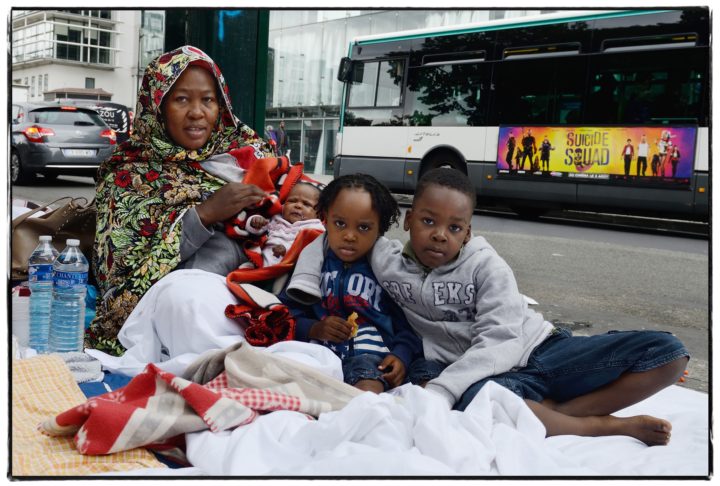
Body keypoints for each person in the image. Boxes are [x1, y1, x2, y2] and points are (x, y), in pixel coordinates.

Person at [288, 168, 689, 446]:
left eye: (455, 227)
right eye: (429, 221)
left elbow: (501, 341)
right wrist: (305, 299)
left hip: (538, 350)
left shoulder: (487, 267)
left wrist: (443, 389)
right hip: (481, 377)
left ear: (468, 233)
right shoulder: (383, 257)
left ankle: (557, 413)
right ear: (408, 221)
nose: (440, 235)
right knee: (479, 403)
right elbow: (332, 233)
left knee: (669, 354)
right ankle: (593, 426)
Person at [87, 45, 275, 355]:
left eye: (208, 100)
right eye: (182, 99)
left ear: (222, 106)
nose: (197, 112)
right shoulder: (127, 177)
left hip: (264, 301)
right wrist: (203, 215)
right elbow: (119, 295)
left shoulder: (247, 155)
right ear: (157, 106)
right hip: (183, 318)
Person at [280, 174, 422, 393]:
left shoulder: (388, 270)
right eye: (340, 224)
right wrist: (315, 328)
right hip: (320, 355)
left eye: (363, 228)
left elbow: (410, 323)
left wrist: (401, 355)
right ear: (325, 218)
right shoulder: (312, 263)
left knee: (367, 388)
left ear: (380, 229)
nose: (349, 236)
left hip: (372, 360)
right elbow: (285, 315)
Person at [245, 180, 325, 268]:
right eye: (292, 201)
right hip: (260, 261)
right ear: (284, 204)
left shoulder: (315, 228)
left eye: (306, 204)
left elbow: (312, 252)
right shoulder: (277, 218)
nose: (298, 205)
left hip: (288, 269)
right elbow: (258, 231)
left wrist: (287, 251)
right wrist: (255, 222)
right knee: (246, 266)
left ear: (319, 214)